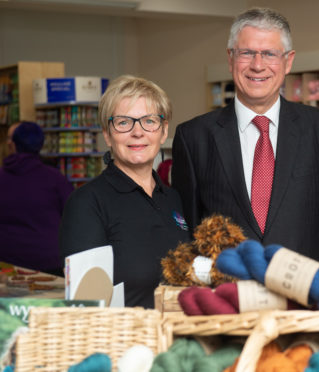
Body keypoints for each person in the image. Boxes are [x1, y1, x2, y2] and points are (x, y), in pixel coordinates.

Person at [172, 7, 319, 265]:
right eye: (247, 53)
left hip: (305, 296)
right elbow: (187, 237)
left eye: (269, 54)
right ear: (230, 58)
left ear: (288, 61)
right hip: (226, 297)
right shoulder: (193, 138)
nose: (257, 66)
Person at [59, 75, 190, 308]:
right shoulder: (87, 204)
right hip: (123, 342)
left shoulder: (173, 199)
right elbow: (86, 305)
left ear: (163, 130)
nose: (137, 132)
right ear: (107, 134)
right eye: (123, 122)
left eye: (149, 121)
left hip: (180, 339)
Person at [0, 121, 73, 275]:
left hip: (7, 262)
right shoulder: (56, 179)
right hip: (49, 260)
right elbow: (73, 215)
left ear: (12, 145)